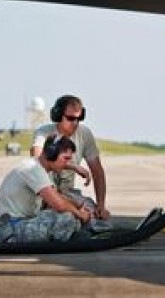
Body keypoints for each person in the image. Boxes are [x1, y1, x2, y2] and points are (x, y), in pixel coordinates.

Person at [0, 135, 91, 242]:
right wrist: (81, 215)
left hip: (18, 224)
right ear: (51, 154)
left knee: (70, 211)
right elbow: (59, 205)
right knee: (67, 218)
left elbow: (56, 199)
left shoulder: (37, 167)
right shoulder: (32, 169)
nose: (67, 163)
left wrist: (80, 206)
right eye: (66, 158)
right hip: (7, 229)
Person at [30, 95, 111, 226]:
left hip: (66, 194)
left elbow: (97, 171)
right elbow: (37, 161)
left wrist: (101, 205)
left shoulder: (84, 134)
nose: (75, 123)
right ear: (57, 116)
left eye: (79, 118)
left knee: (92, 213)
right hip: (44, 195)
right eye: (70, 118)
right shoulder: (43, 133)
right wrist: (74, 166)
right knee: (68, 218)